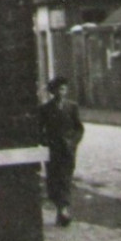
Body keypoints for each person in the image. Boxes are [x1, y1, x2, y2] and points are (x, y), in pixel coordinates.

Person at [39, 75, 84, 226]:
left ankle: (64, 209)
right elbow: (39, 130)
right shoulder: (45, 109)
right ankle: (60, 209)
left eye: (64, 89)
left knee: (65, 179)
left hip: (67, 150)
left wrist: (73, 143)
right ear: (53, 91)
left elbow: (79, 128)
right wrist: (45, 141)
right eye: (58, 89)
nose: (61, 92)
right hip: (52, 151)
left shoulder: (72, 107)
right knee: (53, 181)